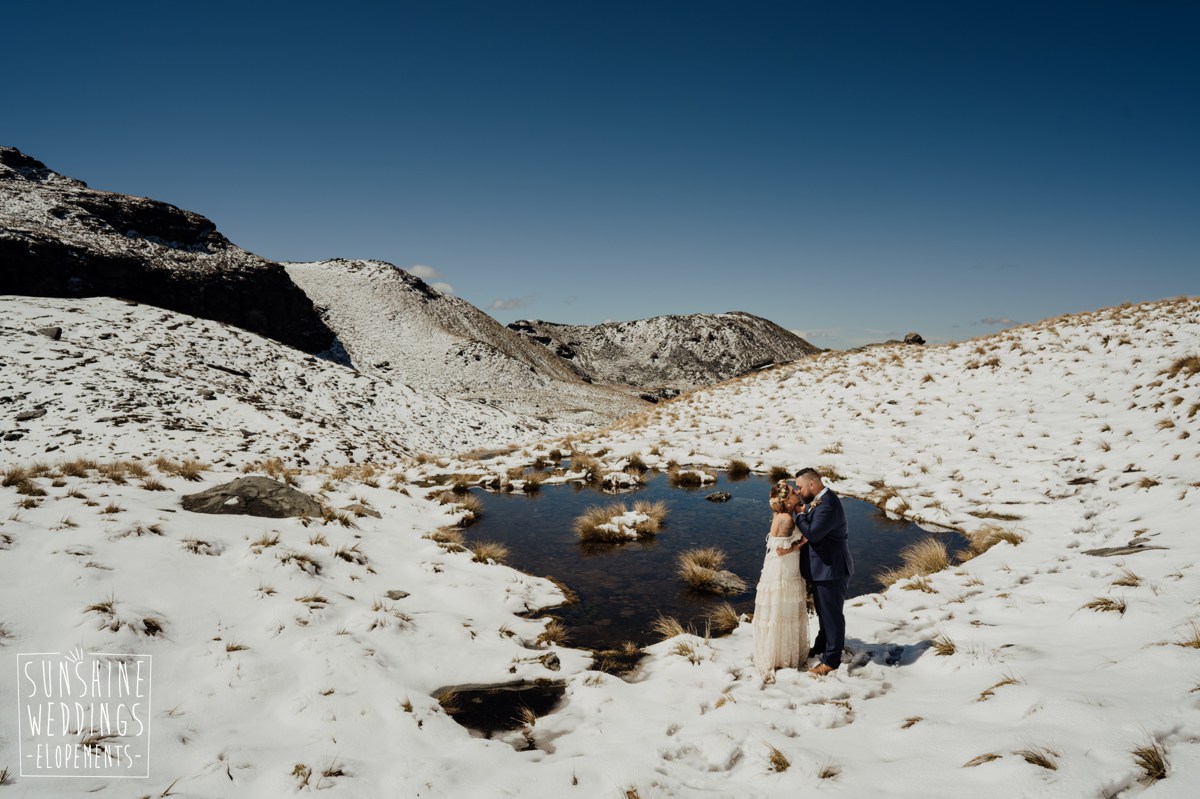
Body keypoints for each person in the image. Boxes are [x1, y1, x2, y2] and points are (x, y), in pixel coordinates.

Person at [783, 467, 853, 676]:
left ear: (812, 485)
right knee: (823, 613)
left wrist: (800, 515)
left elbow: (813, 533)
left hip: (831, 570)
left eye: (800, 487)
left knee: (831, 615)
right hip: (823, 569)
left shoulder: (828, 505)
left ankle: (831, 661)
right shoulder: (820, 500)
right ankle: (822, 648)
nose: (799, 490)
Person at [752, 480, 809, 681]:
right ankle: (781, 657)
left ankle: (776, 653)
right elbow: (781, 550)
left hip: (777, 567)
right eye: (793, 492)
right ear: (786, 500)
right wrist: (801, 542)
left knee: (780, 610)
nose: (797, 492)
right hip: (783, 569)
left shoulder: (780, 515)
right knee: (783, 610)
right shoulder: (787, 519)